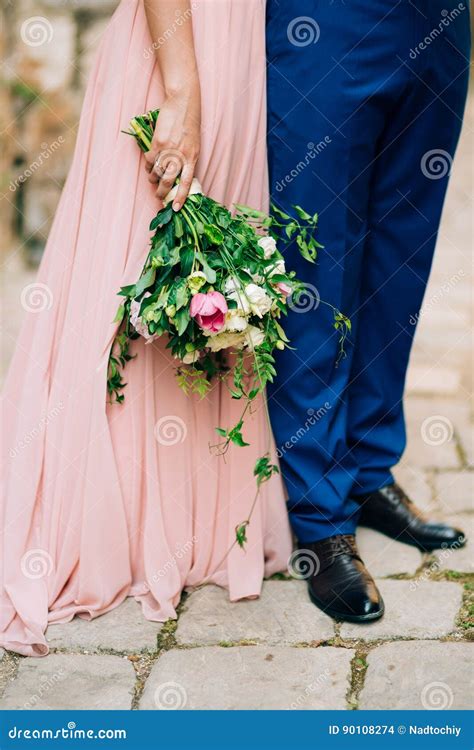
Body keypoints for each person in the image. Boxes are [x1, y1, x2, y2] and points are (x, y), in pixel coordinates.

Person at [0, 0, 292, 657]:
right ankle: (104, 525)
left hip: (235, 53)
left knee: (200, 280)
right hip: (179, 53)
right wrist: (184, 93)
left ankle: (186, 525)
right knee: (125, 280)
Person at [266, 0, 470, 622]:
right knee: (317, 268)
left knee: (398, 266)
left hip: (440, 25)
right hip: (330, 24)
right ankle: (320, 513)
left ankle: (368, 466)